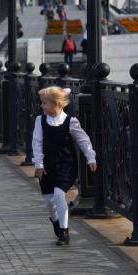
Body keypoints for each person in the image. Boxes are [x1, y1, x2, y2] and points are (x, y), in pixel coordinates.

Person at [32, 86, 97, 246]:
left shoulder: (71, 122)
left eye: (44, 103)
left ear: (56, 104)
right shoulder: (40, 121)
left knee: (59, 194)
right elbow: (37, 142)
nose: (41, 106)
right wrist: (39, 163)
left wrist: (90, 158)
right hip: (47, 166)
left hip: (66, 164)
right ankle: (55, 220)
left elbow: (83, 140)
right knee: (49, 200)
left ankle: (64, 231)